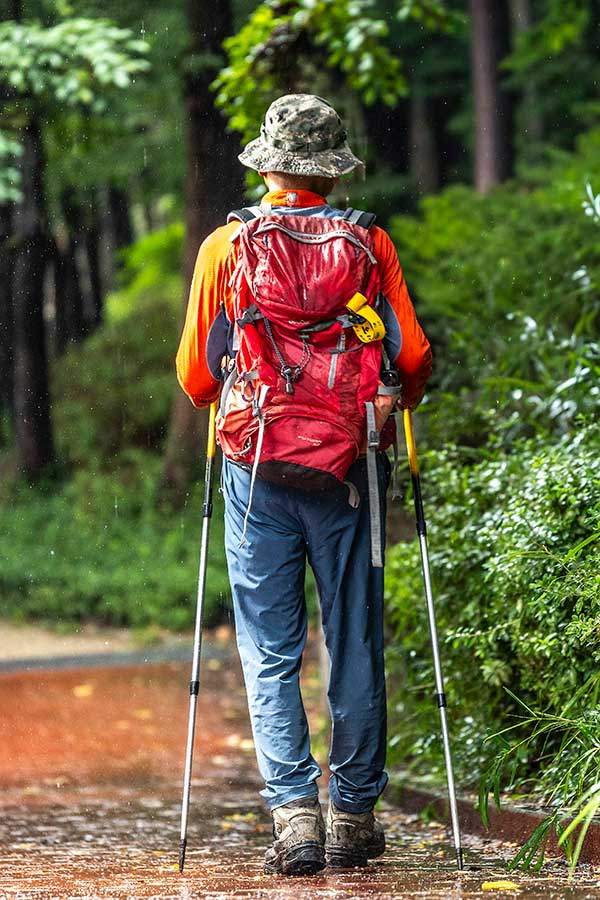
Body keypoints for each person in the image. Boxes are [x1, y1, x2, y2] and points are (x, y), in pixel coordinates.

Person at [176, 94, 432, 877]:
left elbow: (195, 375)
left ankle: (294, 819)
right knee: (352, 638)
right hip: (350, 464)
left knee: (270, 647)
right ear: (331, 170)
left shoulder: (227, 246)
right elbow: (413, 358)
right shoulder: (369, 242)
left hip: (255, 467)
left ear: (268, 164)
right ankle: (353, 815)